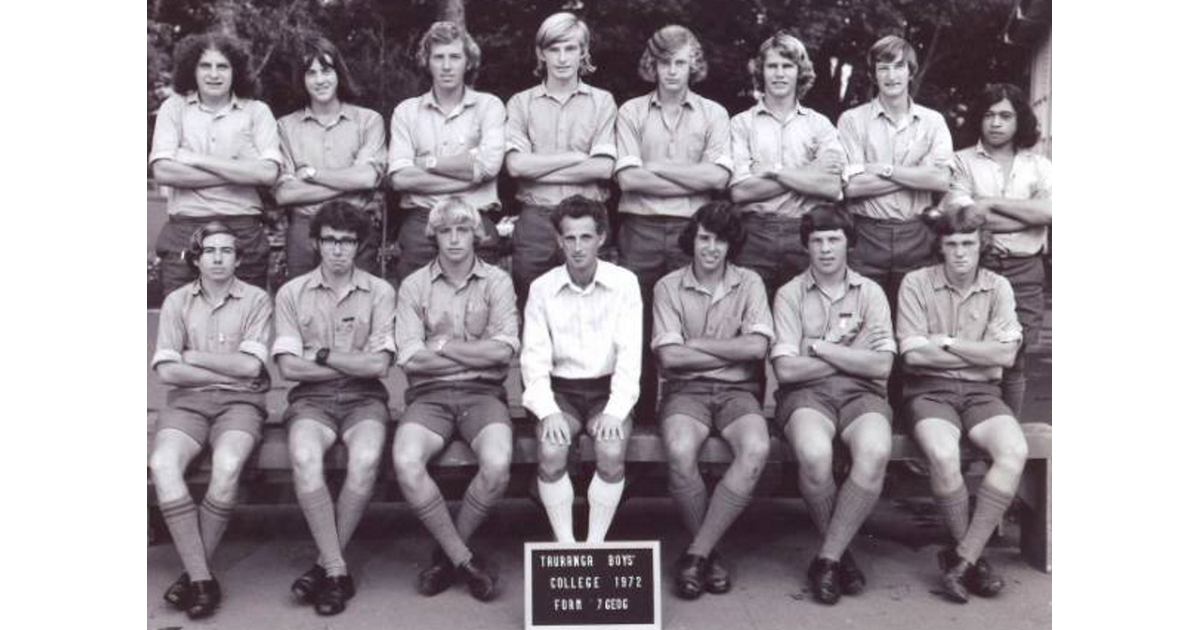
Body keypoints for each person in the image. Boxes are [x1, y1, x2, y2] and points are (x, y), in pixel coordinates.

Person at [895, 207, 1027, 603]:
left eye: (968, 244)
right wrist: (979, 356)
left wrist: (948, 343)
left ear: (980, 245)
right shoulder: (916, 283)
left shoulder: (998, 286)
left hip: (983, 395)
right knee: (942, 452)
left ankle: (962, 560)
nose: (960, 253)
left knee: (1014, 450)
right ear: (939, 248)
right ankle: (974, 558)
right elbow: (914, 356)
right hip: (929, 392)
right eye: (951, 244)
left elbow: (1005, 357)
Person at [392, 197, 521, 601]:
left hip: (484, 395)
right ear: (433, 236)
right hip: (428, 397)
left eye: (462, 229)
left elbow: (504, 351)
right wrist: (471, 352)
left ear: (476, 235)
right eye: (445, 230)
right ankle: (464, 558)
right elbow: (410, 358)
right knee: (406, 460)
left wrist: (443, 346)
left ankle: (448, 555)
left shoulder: (497, 281)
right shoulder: (414, 285)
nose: (453, 239)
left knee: (498, 463)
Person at [272, 200, 397, 615]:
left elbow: (378, 365)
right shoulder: (292, 292)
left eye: (347, 241)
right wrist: (348, 362)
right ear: (315, 243)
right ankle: (337, 571)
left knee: (365, 459)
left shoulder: (380, 291)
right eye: (330, 240)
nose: (338, 249)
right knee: (305, 455)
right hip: (311, 403)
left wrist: (321, 356)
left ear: (359, 245)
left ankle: (325, 567)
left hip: (365, 400)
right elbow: (289, 367)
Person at [769, 204, 895, 604]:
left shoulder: (870, 292)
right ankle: (840, 556)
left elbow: (882, 366)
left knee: (874, 451)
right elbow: (787, 371)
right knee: (813, 452)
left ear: (848, 244)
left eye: (833, 239)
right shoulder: (790, 293)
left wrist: (819, 347)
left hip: (864, 395)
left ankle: (827, 558)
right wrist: (848, 355)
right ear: (806, 246)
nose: (825, 249)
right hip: (806, 397)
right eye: (817, 241)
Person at [149, 221, 273, 619]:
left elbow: (252, 367)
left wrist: (195, 358)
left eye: (227, 251)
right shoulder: (176, 302)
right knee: (163, 464)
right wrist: (230, 371)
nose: (218, 258)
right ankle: (202, 578)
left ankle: (193, 574)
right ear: (197, 259)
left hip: (240, 405)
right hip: (186, 404)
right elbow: (167, 371)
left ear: (239, 259)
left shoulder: (256, 300)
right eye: (210, 251)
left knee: (228, 464)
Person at [651, 201, 773, 599]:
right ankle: (710, 553)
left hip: (738, 392)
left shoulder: (750, 282)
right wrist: (729, 351)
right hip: (686, 392)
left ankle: (697, 553)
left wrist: (699, 345)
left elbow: (757, 348)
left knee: (756, 448)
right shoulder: (668, 286)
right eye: (704, 238)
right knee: (681, 449)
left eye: (720, 241)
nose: (711, 248)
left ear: (730, 245)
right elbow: (670, 357)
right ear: (693, 239)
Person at [615, 24, 732, 423]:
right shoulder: (631, 111)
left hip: (693, 230)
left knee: (695, 322)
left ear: (693, 65)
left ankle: (690, 416)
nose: (671, 71)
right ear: (653, 64)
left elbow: (717, 179)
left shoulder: (713, 114)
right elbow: (628, 179)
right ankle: (642, 420)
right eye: (664, 62)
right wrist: (689, 174)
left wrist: (658, 168)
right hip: (640, 229)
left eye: (680, 62)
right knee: (640, 326)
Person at [521, 195, 642, 543]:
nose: (577, 247)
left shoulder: (624, 283)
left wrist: (616, 411)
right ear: (559, 240)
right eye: (569, 238)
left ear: (601, 237)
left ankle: (594, 545)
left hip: (607, 390)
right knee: (551, 451)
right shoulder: (542, 288)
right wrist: (548, 411)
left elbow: (629, 356)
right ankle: (566, 545)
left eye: (586, 237)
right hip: (561, 392)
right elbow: (534, 359)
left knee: (610, 450)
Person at [941, 83, 1051, 417]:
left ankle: (1008, 442)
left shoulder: (1040, 165)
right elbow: (966, 217)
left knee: (1014, 357)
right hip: (976, 268)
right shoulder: (960, 162)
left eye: (1005, 115)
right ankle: (971, 444)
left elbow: (1049, 213)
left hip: (1025, 270)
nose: (996, 123)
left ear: (1020, 120)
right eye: (989, 115)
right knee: (972, 356)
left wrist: (988, 203)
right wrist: (1025, 214)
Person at [149, 32, 282, 293]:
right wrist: (241, 170)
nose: (214, 74)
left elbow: (268, 174)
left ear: (236, 71)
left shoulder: (257, 111)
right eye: (205, 66)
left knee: (244, 321)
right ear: (192, 70)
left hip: (242, 229)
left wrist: (195, 159)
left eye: (222, 66)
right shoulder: (173, 108)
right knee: (182, 322)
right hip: (185, 229)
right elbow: (163, 170)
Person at [505, 12, 617, 306]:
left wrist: (537, 168)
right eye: (554, 49)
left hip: (589, 216)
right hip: (536, 219)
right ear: (541, 53)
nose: (563, 58)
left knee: (592, 306)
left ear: (584, 52)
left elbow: (604, 168)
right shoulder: (520, 103)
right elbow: (515, 166)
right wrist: (574, 157)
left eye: (571, 48)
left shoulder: (602, 101)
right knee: (532, 306)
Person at [837, 35, 953, 309]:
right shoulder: (852, 120)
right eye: (883, 67)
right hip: (865, 234)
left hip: (917, 234)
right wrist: (914, 174)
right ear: (873, 74)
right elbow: (851, 187)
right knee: (863, 321)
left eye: (899, 66)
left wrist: (884, 169)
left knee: (913, 324)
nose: (891, 75)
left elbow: (941, 180)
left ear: (910, 71)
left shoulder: (933, 121)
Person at [729, 32, 845, 298]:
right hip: (753, 234)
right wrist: (810, 172)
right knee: (753, 319)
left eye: (787, 66)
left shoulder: (820, 125)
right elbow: (740, 192)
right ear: (761, 72)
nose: (779, 74)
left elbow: (831, 187)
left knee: (804, 320)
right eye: (772, 66)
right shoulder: (741, 124)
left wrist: (774, 171)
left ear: (799, 72)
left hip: (806, 234)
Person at [388, 21, 506, 282]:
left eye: (455, 57)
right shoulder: (406, 112)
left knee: (484, 295)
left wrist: (427, 162)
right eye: (438, 57)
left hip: (475, 214)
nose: (447, 65)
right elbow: (400, 179)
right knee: (414, 294)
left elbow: (488, 167)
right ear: (427, 62)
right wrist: (467, 171)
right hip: (422, 218)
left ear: (468, 62)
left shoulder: (489, 106)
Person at [274, 36, 387, 279]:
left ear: (339, 74)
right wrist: (348, 184)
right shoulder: (285, 126)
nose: (319, 80)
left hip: (356, 227)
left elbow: (367, 179)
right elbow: (285, 193)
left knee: (359, 305)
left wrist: (312, 175)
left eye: (326, 71)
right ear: (302, 80)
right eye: (311, 73)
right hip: (304, 232)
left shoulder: (369, 121)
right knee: (304, 307)